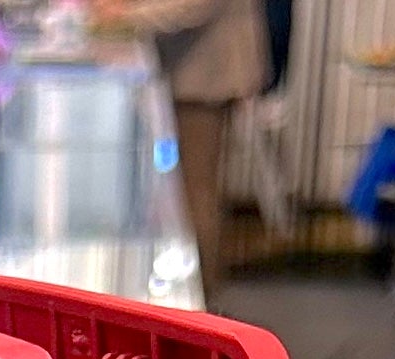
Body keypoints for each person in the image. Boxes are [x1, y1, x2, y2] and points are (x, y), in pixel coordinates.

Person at [94, 0, 270, 306]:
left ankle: (201, 306)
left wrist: (125, 16)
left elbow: (193, 6)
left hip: (205, 76)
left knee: (195, 194)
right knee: (190, 192)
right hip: (192, 69)